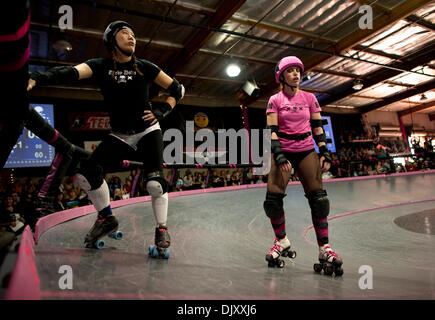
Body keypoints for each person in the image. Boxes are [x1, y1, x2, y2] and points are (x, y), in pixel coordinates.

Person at [27, 21, 185, 253]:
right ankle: (106, 218)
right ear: (112, 40)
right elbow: (69, 73)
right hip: (120, 135)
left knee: (154, 183)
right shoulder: (99, 66)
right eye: (124, 34)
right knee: (85, 174)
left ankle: (161, 228)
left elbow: (178, 90)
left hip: (148, 131)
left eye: (133, 34)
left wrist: (162, 111)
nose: (131, 37)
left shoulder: (145, 67)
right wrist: (38, 78)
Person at [263, 56, 343, 275]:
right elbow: (272, 131)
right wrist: (279, 155)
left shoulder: (310, 97)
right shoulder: (275, 100)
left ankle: (324, 249)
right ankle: (282, 241)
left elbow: (317, 126)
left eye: (298, 70)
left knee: (319, 200)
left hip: (306, 149)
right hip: (284, 150)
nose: (296, 74)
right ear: (281, 76)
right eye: (291, 71)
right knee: (272, 201)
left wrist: (324, 151)